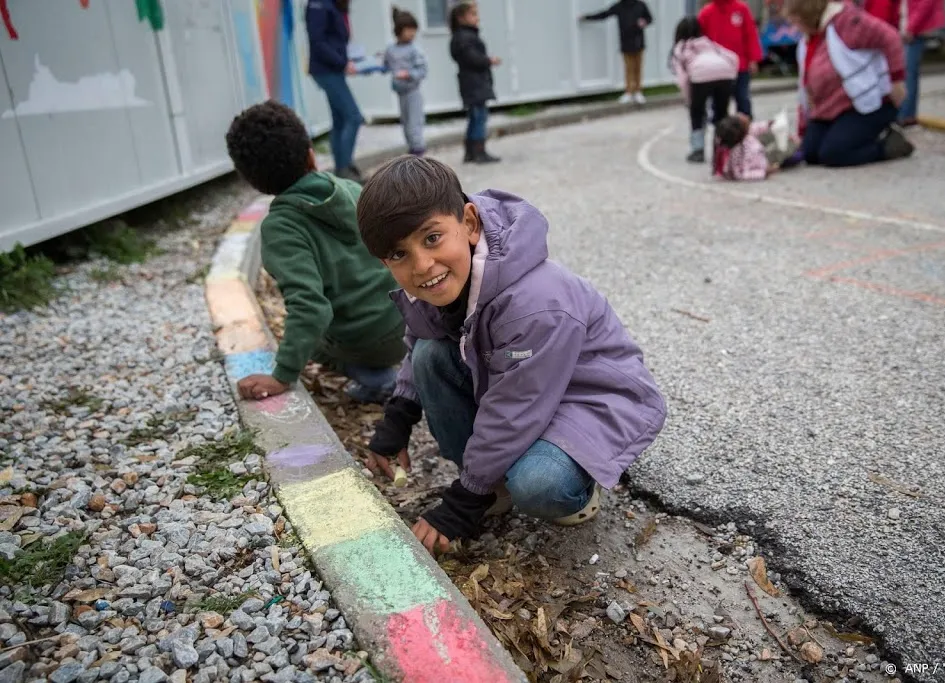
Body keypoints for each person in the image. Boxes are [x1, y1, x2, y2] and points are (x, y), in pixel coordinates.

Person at [355, 156, 667, 556]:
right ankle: (489, 484)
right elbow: (421, 338)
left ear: (469, 223)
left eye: (432, 238)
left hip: (589, 400)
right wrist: (398, 416)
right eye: (399, 254)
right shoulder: (444, 279)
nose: (422, 265)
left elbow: (514, 407)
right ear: (384, 261)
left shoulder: (535, 303)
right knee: (431, 355)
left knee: (538, 484)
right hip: (525, 389)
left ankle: (576, 486)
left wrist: (462, 501)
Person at [224, 101, 407, 405]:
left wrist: (282, 376)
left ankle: (379, 380)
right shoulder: (349, 188)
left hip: (368, 342)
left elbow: (310, 309)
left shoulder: (281, 227)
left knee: (310, 342)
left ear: (252, 180)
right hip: (408, 321)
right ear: (310, 153)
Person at [788, 0, 915, 167]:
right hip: (830, 109)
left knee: (834, 154)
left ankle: (888, 146)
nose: (795, 27)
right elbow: (805, 85)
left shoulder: (848, 22)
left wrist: (897, 80)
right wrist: (803, 127)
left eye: (796, 21)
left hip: (865, 104)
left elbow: (890, 37)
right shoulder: (809, 39)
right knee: (810, 153)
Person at [306, 0, 365, 184]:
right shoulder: (318, 4)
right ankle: (344, 169)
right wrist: (342, 62)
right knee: (353, 117)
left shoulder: (331, 4)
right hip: (327, 70)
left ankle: (343, 168)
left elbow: (334, 39)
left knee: (340, 120)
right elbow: (317, 41)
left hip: (333, 70)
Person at [669, 16, 739, 162]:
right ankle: (721, 148)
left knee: (697, 114)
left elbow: (682, 79)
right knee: (721, 113)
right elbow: (732, 57)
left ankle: (698, 150)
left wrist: (690, 100)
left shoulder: (680, 48)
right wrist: (732, 74)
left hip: (700, 75)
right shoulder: (708, 42)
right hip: (724, 72)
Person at [449, 2, 501, 164]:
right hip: (474, 84)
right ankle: (479, 151)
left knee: (475, 117)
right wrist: (488, 60)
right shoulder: (465, 37)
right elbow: (472, 59)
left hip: (472, 84)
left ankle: (470, 152)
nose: (476, 18)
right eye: (472, 14)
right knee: (479, 117)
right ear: (461, 18)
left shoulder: (464, 36)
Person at [579, 0, 654, 104]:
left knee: (638, 68)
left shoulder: (641, 5)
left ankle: (638, 92)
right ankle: (628, 92)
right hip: (626, 42)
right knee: (628, 68)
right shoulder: (619, 6)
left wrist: (644, 22)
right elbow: (604, 14)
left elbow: (650, 18)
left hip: (638, 41)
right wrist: (587, 17)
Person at [698, 0, 763, 117]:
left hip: (740, 66)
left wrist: (753, 59)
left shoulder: (741, 9)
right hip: (717, 69)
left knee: (743, 100)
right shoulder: (706, 13)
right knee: (719, 105)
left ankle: (745, 131)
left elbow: (750, 34)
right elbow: (700, 40)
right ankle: (720, 133)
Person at [382, 6, 428, 156]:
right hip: (400, 93)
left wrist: (408, 74)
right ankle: (412, 153)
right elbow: (386, 66)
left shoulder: (415, 50)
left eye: (413, 30)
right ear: (399, 30)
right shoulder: (391, 49)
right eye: (408, 30)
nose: (412, 34)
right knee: (406, 125)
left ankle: (419, 155)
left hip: (413, 92)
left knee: (415, 125)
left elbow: (422, 70)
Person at [712, 112, 802, 180]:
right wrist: (764, 172)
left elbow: (756, 128)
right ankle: (797, 144)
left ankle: (794, 142)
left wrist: (768, 124)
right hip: (764, 162)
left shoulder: (744, 135)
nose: (745, 116)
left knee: (772, 134)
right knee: (796, 156)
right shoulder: (740, 153)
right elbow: (741, 174)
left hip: (760, 153)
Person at [899, 0, 945, 126]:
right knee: (909, 73)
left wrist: (911, 28)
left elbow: (924, 5)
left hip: (914, 29)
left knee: (908, 73)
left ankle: (905, 115)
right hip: (909, 27)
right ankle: (907, 114)